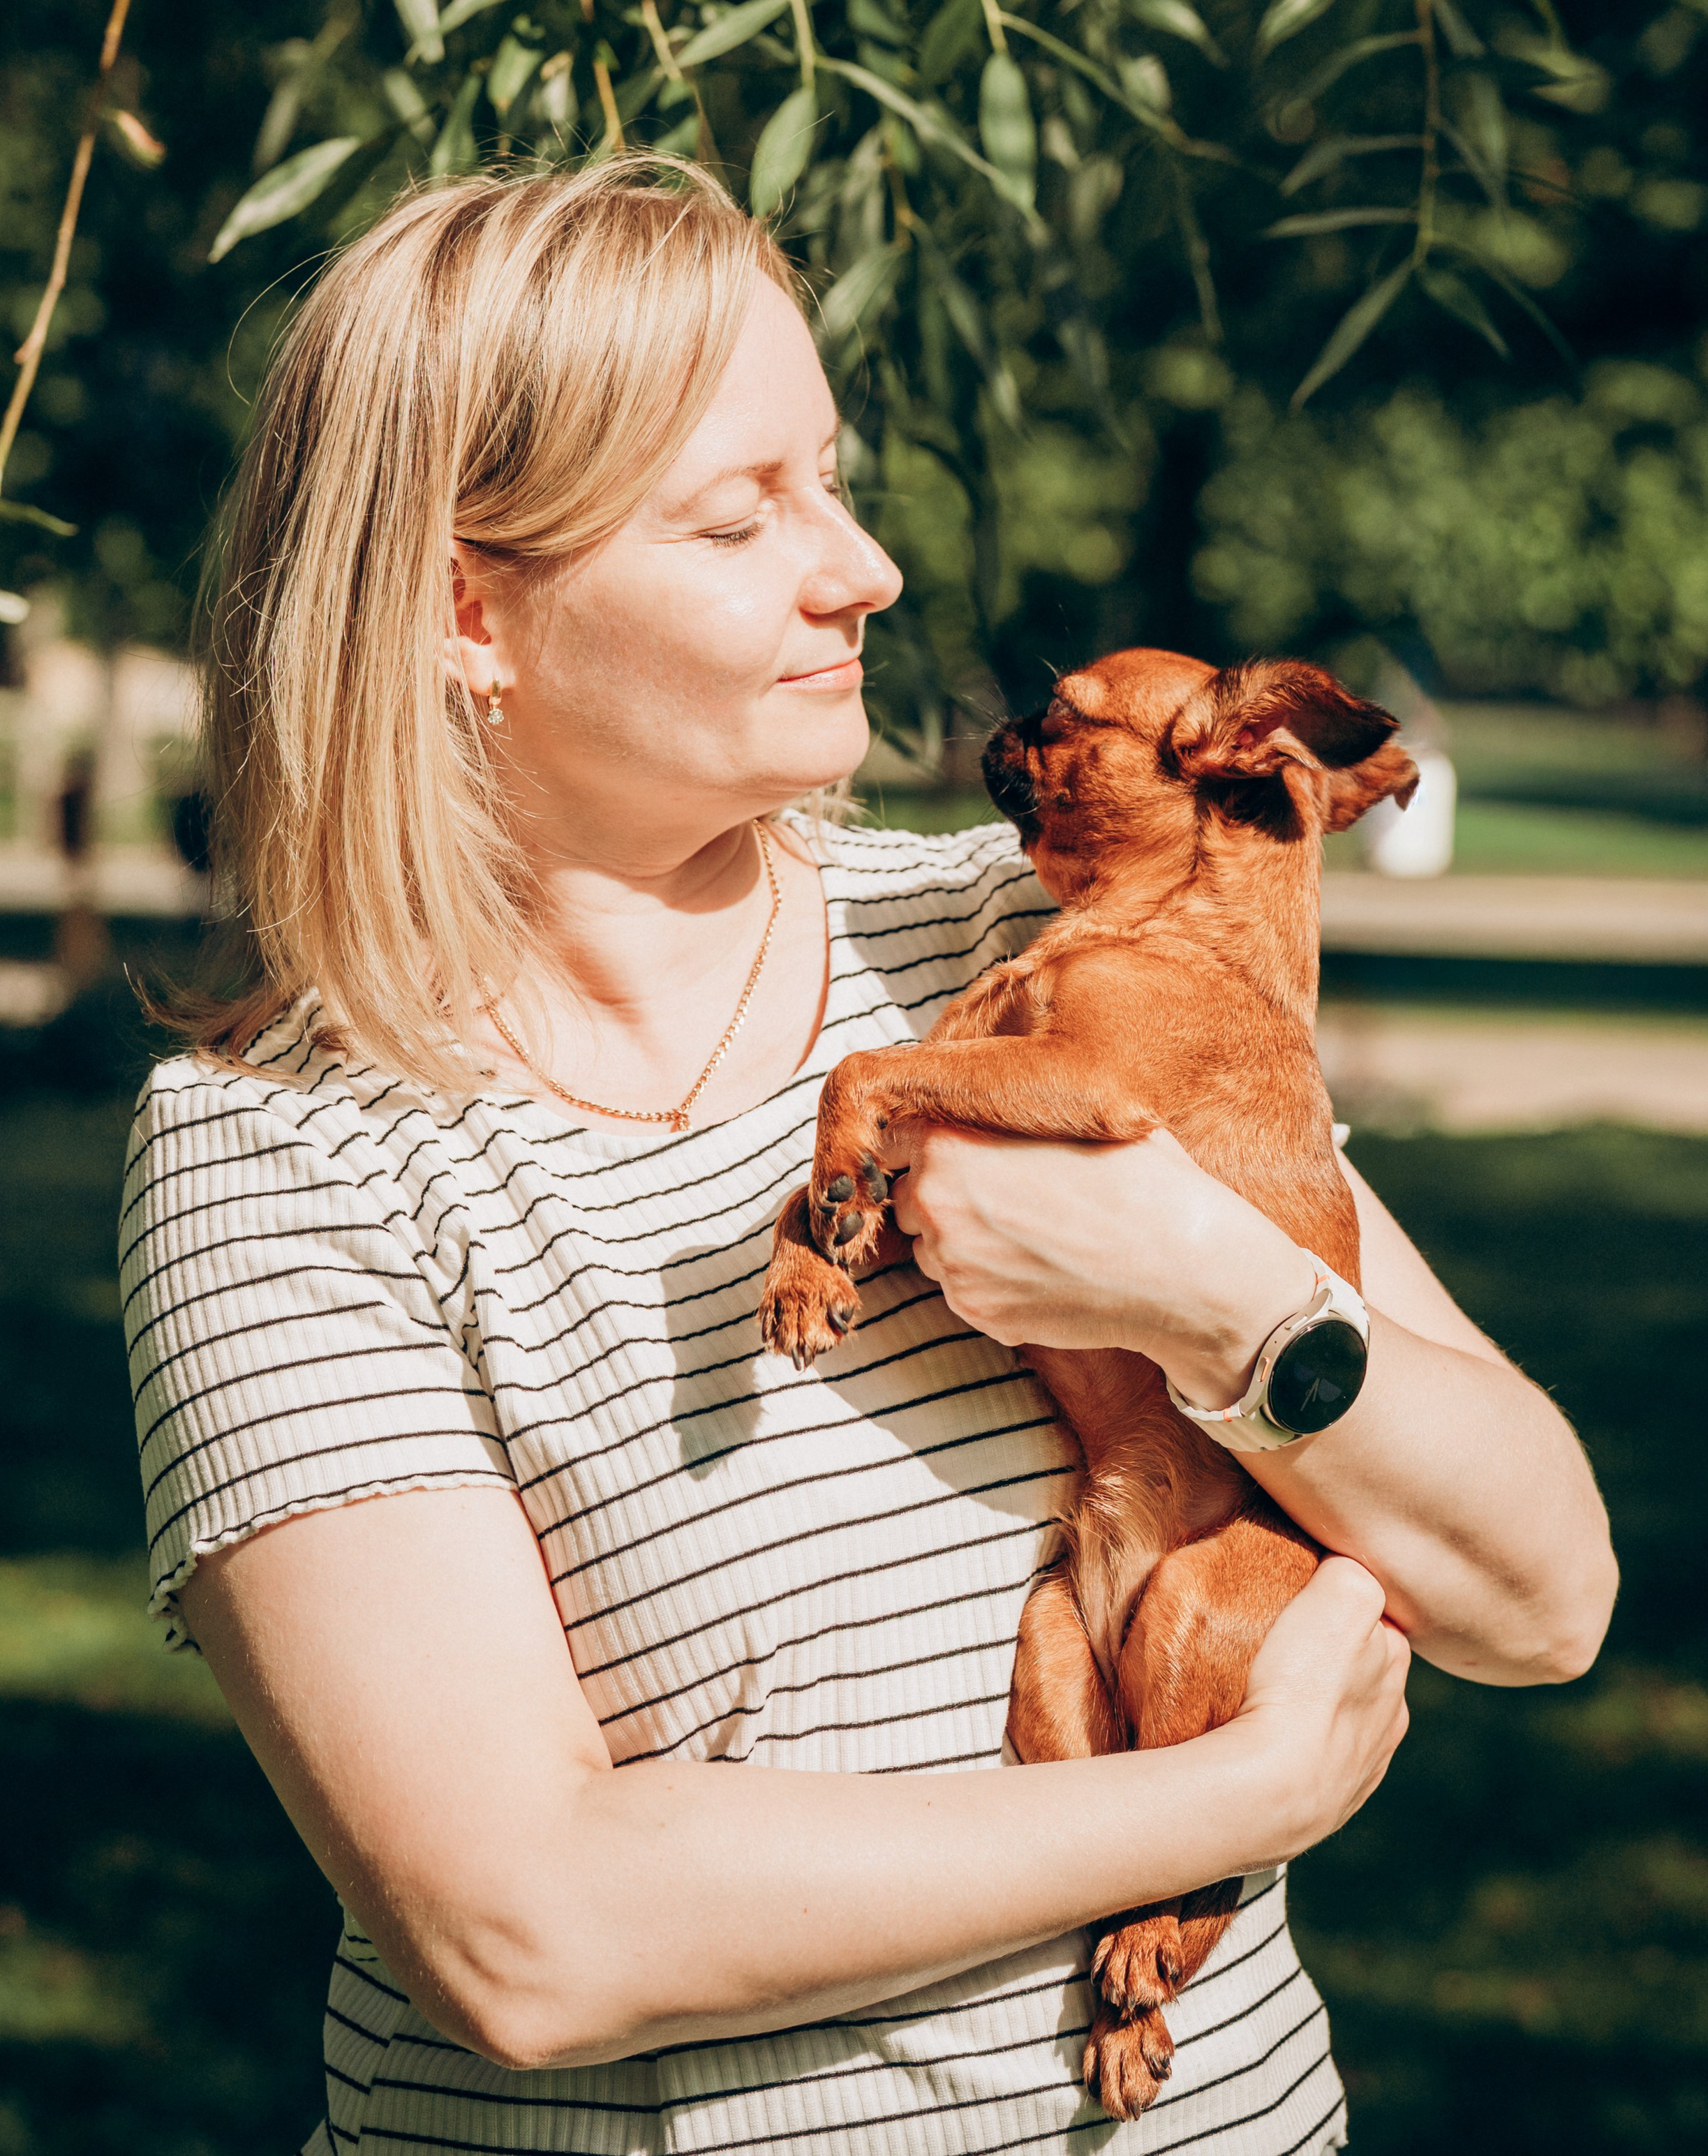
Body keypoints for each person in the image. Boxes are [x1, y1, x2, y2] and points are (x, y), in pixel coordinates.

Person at [121, 158, 1614, 2156]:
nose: (867, 570)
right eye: (745, 516)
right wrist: (1222, 1808)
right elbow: (528, 1931)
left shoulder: (1029, 943)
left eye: (834, 477)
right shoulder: (283, 1156)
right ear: (473, 610)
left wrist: (1213, 1294)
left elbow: (1544, 1590)